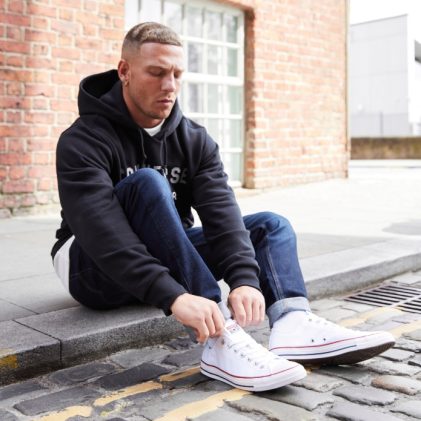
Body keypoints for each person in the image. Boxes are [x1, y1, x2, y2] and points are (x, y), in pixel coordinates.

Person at [52, 22, 395, 392]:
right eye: (156, 73)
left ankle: (292, 322)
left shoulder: (194, 139)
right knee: (148, 183)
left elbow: (222, 213)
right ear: (124, 71)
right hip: (91, 268)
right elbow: (102, 231)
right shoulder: (83, 139)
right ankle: (220, 336)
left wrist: (244, 278)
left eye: (177, 74)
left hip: (164, 251)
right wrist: (174, 295)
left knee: (270, 226)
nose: (169, 86)